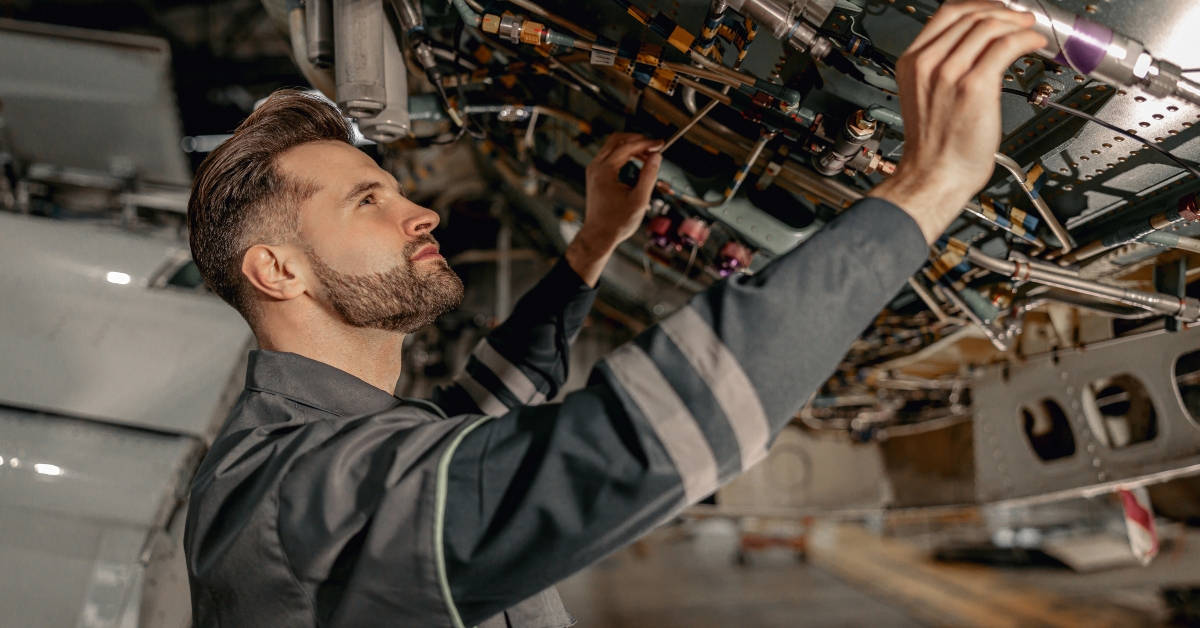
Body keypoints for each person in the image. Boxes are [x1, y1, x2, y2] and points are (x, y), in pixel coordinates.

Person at [183, 2, 1047, 626]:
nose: (424, 213)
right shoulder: (290, 496)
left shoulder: (324, 447)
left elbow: (482, 407)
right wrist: (926, 187)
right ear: (277, 269)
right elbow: (629, 448)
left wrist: (592, 246)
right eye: (370, 198)